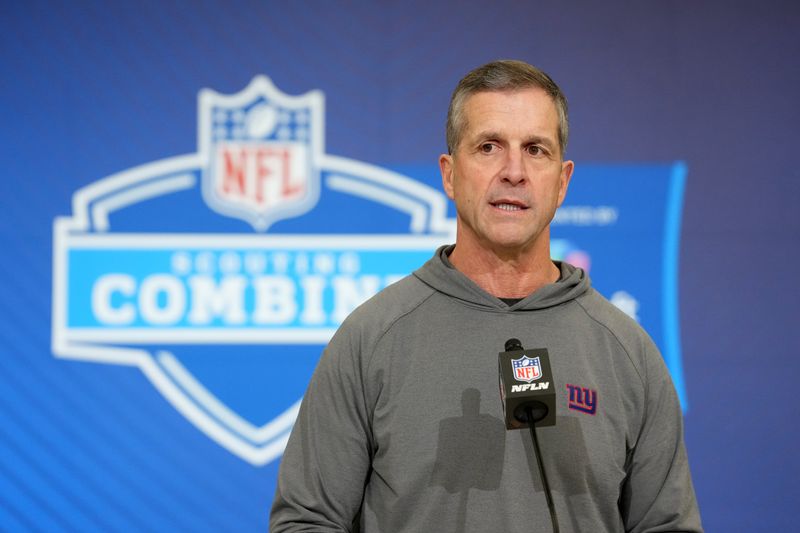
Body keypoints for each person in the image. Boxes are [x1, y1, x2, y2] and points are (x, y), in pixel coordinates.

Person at [270, 60, 703, 532]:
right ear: (450, 174)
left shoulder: (628, 353)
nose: (513, 171)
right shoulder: (371, 339)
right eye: (489, 147)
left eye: (536, 150)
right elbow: (305, 521)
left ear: (562, 182)